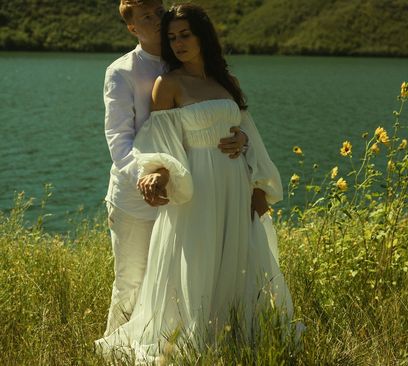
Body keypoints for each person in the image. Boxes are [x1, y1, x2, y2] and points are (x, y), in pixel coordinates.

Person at [95, 3, 293, 362]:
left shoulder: (224, 81)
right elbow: (140, 139)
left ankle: (232, 338)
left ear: (203, 35)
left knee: (231, 261)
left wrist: (255, 175)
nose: (173, 37)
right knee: (141, 277)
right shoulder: (145, 78)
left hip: (231, 186)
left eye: (183, 33)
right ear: (133, 27)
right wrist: (154, 172)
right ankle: (160, 344)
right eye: (171, 36)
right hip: (181, 187)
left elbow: (246, 130)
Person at [103, 0, 248, 337]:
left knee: (178, 281)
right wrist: (150, 176)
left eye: (157, 11)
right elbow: (119, 140)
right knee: (133, 282)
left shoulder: (192, 66)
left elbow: (216, 122)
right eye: (145, 17)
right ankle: (118, 352)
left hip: (188, 196)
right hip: (137, 196)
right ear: (132, 27)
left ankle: (178, 347)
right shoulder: (121, 71)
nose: (155, 20)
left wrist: (240, 138)